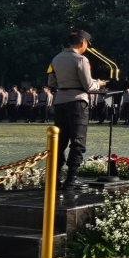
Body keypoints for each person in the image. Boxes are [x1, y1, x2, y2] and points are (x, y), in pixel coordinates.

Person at [47, 29, 99, 190]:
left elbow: (52, 82)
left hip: (61, 101)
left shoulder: (55, 59)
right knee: (78, 140)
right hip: (77, 102)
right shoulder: (81, 59)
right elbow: (89, 86)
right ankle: (71, 179)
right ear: (83, 42)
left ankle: (55, 178)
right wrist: (100, 83)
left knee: (60, 140)